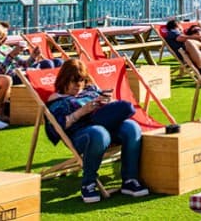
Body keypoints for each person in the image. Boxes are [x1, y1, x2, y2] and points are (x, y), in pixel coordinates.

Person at [46, 59, 149, 203]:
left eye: (81, 80)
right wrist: (82, 111)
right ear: (64, 79)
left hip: (105, 125)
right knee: (99, 133)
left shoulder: (91, 89)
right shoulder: (57, 99)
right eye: (74, 81)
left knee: (131, 127)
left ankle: (130, 180)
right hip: (82, 133)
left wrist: (106, 102)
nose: (78, 85)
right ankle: (88, 184)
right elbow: (56, 127)